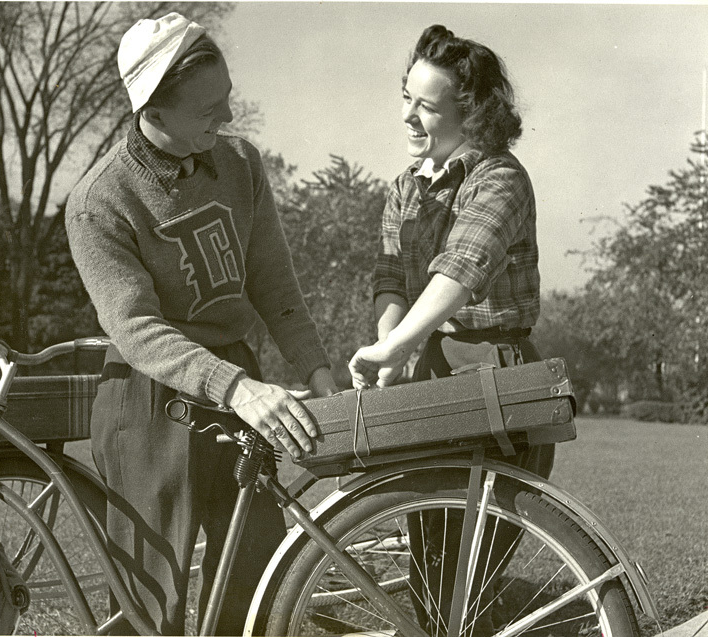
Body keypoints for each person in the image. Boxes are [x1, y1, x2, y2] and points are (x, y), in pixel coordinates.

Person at [65, 12, 337, 636]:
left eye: (228, 99)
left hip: (238, 389)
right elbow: (136, 330)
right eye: (209, 108)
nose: (229, 119)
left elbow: (275, 285)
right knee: (149, 606)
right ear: (154, 112)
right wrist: (239, 390)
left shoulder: (240, 163)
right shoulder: (98, 202)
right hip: (148, 399)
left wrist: (318, 372)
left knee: (254, 584)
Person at [348, 25, 555, 634]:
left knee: (469, 574)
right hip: (426, 375)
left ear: (472, 111)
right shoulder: (404, 188)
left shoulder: (499, 179)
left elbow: (459, 270)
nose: (408, 116)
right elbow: (391, 278)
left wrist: (397, 344)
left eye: (426, 106)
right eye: (405, 97)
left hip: (497, 382)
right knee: (429, 567)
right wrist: (391, 348)